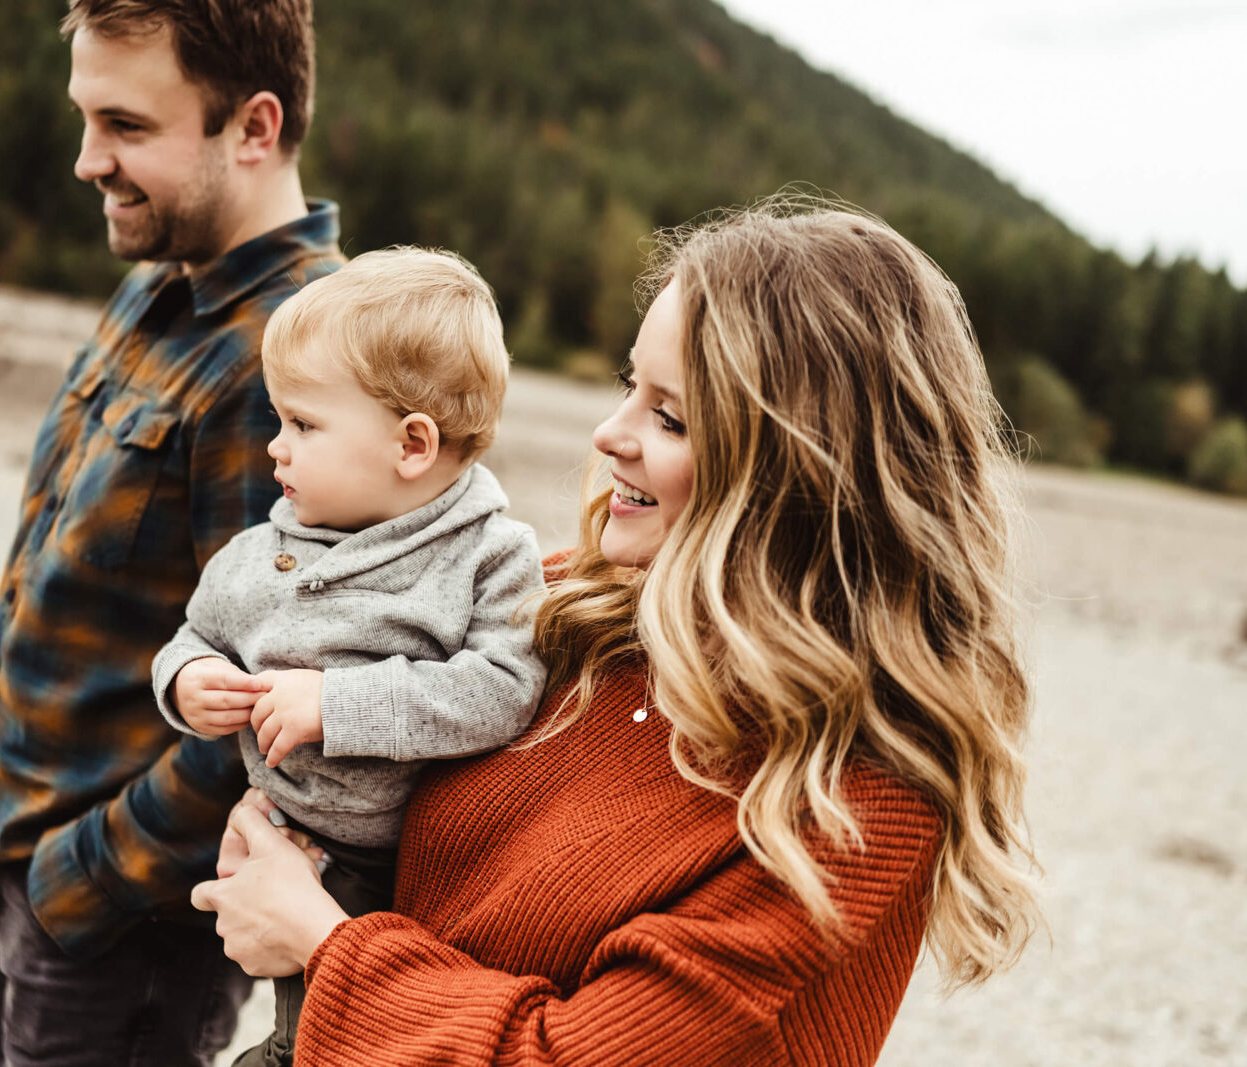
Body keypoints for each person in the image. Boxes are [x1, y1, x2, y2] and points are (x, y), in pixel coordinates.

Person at [190, 199, 1041, 1066]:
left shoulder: (851, 793)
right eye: (626, 386)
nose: (610, 434)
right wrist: (281, 843)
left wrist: (324, 943)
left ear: (798, 474)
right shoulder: (565, 606)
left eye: (669, 416)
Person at [0, 1, 343, 1064]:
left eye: (124, 126)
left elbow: (273, 706)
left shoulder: (304, 360)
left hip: (120, 931)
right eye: (84, 118)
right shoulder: (157, 283)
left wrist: (82, 876)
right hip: (22, 863)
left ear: (254, 128)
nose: (87, 160)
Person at [152, 247, 548, 1065]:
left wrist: (337, 704)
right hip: (286, 835)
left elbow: (506, 686)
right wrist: (188, 684)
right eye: (277, 420)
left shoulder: (490, 556)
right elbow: (194, 637)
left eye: (302, 424)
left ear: (412, 444)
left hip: (408, 871)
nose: (275, 448)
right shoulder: (262, 552)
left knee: (344, 1039)